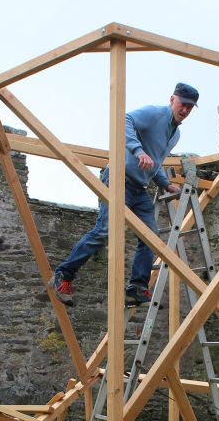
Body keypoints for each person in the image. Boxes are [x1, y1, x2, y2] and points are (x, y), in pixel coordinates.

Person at [51, 82, 199, 307]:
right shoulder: (155, 114)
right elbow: (123, 120)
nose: (185, 110)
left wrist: (166, 184)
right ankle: (64, 275)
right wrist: (137, 150)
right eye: (183, 104)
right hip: (118, 179)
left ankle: (137, 287)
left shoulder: (175, 134)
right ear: (172, 100)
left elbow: (155, 161)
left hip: (139, 189)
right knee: (105, 230)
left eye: (190, 107)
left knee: (151, 237)